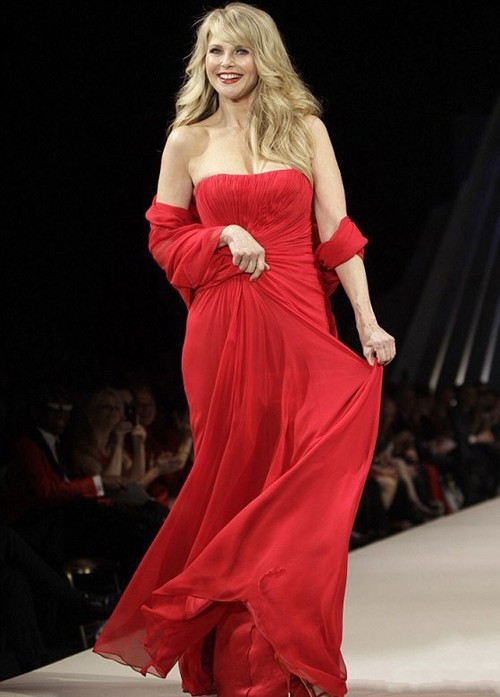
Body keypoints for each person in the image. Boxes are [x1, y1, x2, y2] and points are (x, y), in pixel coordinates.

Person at [94, 4, 395, 697]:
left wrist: (367, 320)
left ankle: (289, 659)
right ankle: (235, 667)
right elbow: (164, 238)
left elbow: (336, 229)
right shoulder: (187, 140)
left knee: (299, 493)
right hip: (224, 329)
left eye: (240, 51)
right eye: (214, 51)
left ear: (265, 57)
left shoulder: (305, 129)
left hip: (302, 323)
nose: (226, 63)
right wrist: (223, 235)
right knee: (234, 488)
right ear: (201, 60)